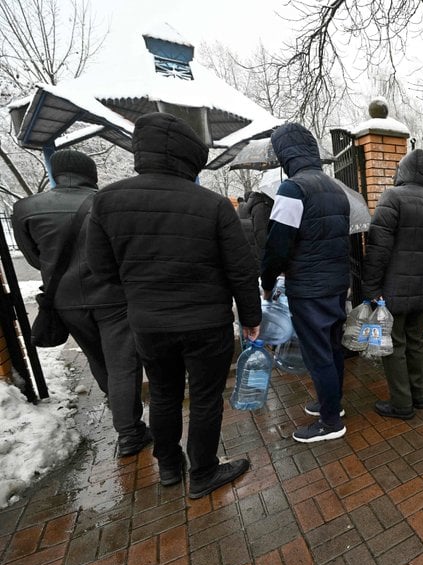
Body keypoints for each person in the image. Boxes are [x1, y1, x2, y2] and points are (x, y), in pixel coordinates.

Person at [86, 112, 261, 498]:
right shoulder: (214, 205)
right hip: (206, 322)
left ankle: (168, 466)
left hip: (149, 323)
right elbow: (241, 270)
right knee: (204, 397)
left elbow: (101, 269)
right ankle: (203, 472)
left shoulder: (107, 201)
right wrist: (251, 318)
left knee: (164, 394)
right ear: (189, 157)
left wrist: (141, 290)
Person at [12, 150, 149, 457]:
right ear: (93, 173)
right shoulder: (111, 203)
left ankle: (121, 413)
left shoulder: (26, 209)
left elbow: (36, 259)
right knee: (123, 364)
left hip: (65, 300)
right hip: (113, 298)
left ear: (54, 173)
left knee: (97, 358)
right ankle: (129, 432)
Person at [260, 123, 350, 443]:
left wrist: (267, 282)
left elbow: (277, 245)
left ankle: (330, 422)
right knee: (333, 347)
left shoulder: (293, 189)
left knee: (318, 354)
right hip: (337, 284)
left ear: (285, 155)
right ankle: (332, 405)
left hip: (310, 288)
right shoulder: (336, 187)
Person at [363, 149, 423, 418]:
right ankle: (419, 396)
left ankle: (401, 404)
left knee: (394, 345)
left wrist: (372, 287)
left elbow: (378, 248)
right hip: (421, 288)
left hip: (392, 290)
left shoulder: (392, 198)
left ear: (404, 170)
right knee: (416, 341)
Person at [245, 190, 274, 260]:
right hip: (266, 255)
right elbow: (262, 234)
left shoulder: (260, 205)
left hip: (263, 252)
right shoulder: (262, 208)